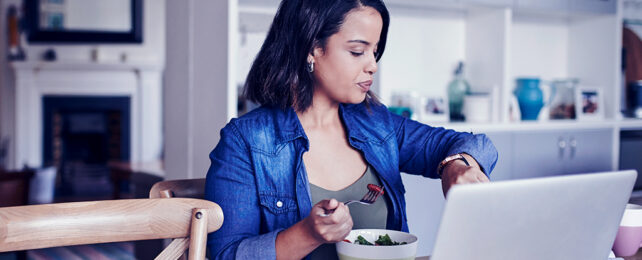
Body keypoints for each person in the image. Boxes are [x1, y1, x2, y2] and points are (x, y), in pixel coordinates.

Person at [204, 0, 498, 259]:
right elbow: (226, 254)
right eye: (358, 51)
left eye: (375, 50)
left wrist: (455, 165)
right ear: (312, 49)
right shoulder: (245, 141)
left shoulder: (377, 125)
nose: (373, 65)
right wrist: (309, 233)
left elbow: (472, 143)